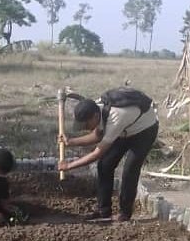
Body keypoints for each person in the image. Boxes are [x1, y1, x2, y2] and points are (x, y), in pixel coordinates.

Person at [58, 88, 159, 222]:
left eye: (86, 124)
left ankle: (125, 213)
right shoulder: (99, 109)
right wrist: (70, 142)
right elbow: (97, 135)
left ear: (94, 116)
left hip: (144, 131)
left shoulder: (115, 117)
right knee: (105, 165)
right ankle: (103, 210)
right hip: (126, 129)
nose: (85, 127)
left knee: (130, 171)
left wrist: (69, 166)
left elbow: (97, 153)